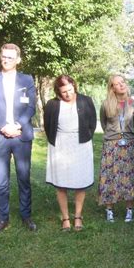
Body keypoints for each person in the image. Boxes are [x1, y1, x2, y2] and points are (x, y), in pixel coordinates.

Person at [0, 43, 37, 233]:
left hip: (21, 135)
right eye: (3, 56)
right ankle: (2, 219)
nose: (6, 60)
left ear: (18, 60)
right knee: (2, 180)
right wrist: (4, 126)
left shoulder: (27, 80)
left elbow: (31, 107)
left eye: (10, 57)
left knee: (24, 177)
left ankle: (26, 216)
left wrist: (18, 125)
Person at [43, 75, 96, 231]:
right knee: (61, 184)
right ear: (58, 91)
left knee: (81, 183)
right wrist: (58, 140)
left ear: (74, 86)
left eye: (70, 90)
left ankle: (78, 216)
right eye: (64, 91)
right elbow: (48, 125)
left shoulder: (86, 101)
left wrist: (85, 136)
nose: (68, 94)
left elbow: (92, 123)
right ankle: (65, 218)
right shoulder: (52, 105)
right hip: (60, 145)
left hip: (81, 144)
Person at [98, 75, 134, 223]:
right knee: (109, 176)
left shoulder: (133, 104)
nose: (121, 85)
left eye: (122, 82)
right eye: (117, 84)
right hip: (111, 144)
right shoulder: (106, 104)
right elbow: (104, 124)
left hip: (128, 144)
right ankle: (109, 209)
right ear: (112, 88)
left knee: (129, 176)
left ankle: (129, 209)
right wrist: (114, 135)